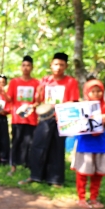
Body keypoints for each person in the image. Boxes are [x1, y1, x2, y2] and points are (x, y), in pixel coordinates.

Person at [21, 52, 80, 187]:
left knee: (57, 148)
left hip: (61, 119)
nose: (58, 67)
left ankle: (55, 179)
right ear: (51, 65)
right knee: (38, 145)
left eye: (61, 65)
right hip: (44, 118)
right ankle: (35, 175)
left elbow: (74, 101)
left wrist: (61, 108)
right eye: (56, 64)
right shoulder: (45, 80)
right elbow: (38, 101)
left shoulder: (71, 82)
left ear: (66, 66)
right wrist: (39, 92)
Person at [71, 79, 105, 209]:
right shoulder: (80, 107)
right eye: (92, 91)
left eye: (99, 91)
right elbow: (73, 123)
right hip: (85, 144)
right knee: (82, 173)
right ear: (87, 92)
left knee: (98, 174)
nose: (96, 93)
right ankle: (81, 198)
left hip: (100, 145)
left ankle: (94, 198)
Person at [6, 55, 40, 175]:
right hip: (17, 119)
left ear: (32, 67)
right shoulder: (14, 82)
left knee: (30, 143)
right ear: (21, 67)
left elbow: (38, 101)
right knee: (16, 142)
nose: (26, 68)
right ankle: (13, 166)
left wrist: (31, 106)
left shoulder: (36, 83)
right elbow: (9, 98)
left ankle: (29, 165)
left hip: (31, 119)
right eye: (24, 65)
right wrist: (0, 91)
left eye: (28, 65)